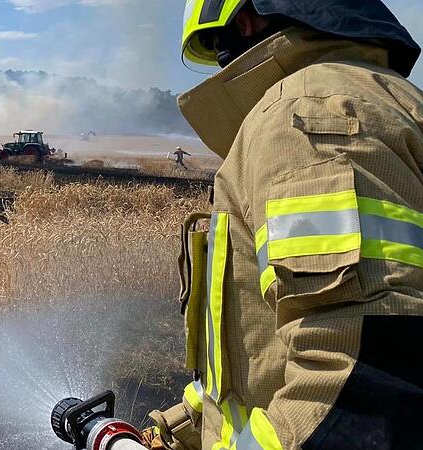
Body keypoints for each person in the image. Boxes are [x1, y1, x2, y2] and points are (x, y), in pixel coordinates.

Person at [144, 1, 423, 449]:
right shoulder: (383, 99)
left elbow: (358, 379)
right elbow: (259, 350)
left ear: (245, 21)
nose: (221, 59)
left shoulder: (305, 119)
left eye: (218, 43)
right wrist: (176, 428)